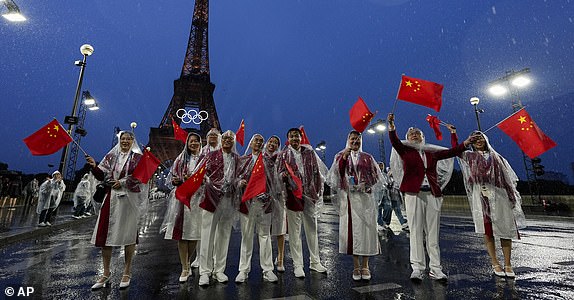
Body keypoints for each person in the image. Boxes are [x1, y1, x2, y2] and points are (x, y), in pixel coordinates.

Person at [388, 113, 474, 282]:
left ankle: (436, 269)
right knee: (415, 232)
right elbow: (394, 141)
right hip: (414, 194)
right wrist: (391, 125)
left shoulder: (431, 153)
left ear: (422, 137)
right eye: (411, 134)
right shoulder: (405, 151)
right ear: (408, 138)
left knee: (432, 234)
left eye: (417, 133)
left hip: (432, 194)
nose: (414, 135)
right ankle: (418, 268)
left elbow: (452, 152)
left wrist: (457, 136)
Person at [451, 129, 525, 278]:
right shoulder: (470, 156)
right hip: (482, 195)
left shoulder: (497, 157)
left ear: (486, 140)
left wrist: (511, 196)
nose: (479, 141)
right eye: (475, 139)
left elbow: (507, 179)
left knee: (505, 229)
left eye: (481, 138)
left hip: (499, 194)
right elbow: (456, 151)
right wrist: (454, 134)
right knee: (488, 230)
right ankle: (495, 262)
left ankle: (508, 264)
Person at [86, 131, 149, 290]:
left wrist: (122, 182)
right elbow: (102, 175)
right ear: (119, 140)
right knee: (106, 235)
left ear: (133, 141)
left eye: (128, 139)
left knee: (128, 236)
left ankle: (127, 271)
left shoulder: (138, 158)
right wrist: (94, 166)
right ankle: (106, 272)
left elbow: (141, 178)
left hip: (128, 199)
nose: (125, 141)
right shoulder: (111, 157)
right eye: (123, 138)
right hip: (112, 198)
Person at [327, 130, 383, 281]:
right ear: (348, 140)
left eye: (358, 140)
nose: (355, 142)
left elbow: (376, 177)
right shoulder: (340, 156)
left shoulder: (368, 157)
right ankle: (356, 266)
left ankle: (366, 266)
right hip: (349, 198)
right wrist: (345, 156)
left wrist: (366, 185)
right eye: (352, 139)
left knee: (367, 231)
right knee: (353, 232)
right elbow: (336, 175)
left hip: (365, 198)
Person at [276, 128, 328, 278]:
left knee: (312, 229)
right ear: (288, 139)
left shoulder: (309, 153)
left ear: (301, 138)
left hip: (310, 195)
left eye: (297, 136)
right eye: (292, 136)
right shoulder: (283, 155)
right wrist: (283, 176)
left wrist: (317, 191)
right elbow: (278, 175)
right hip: (293, 196)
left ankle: (315, 261)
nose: (295, 139)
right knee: (294, 232)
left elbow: (317, 173)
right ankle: (297, 265)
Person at [198, 130, 241, 286]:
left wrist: (238, 183)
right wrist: (207, 180)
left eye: (231, 138)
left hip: (228, 200)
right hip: (211, 198)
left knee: (224, 234)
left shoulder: (237, 159)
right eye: (225, 138)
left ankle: (219, 270)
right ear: (221, 140)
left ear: (234, 141)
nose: (228, 140)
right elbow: (201, 173)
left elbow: (239, 177)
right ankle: (205, 271)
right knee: (207, 234)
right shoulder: (210, 155)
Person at [235, 134, 279, 283]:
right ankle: (243, 270)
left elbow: (274, 183)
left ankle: (268, 269)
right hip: (247, 203)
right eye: (256, 140)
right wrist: (239, 182)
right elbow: (236, 178)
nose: (259, 142)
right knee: (246, 236)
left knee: (265, 236)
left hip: (264, 203)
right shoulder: (243, 160)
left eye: (261, 140)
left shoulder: (269, 161)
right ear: (251, 142)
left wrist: (269, 196)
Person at [161, 132, 204, 283]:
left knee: (194, 234)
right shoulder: (180, 159)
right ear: (187, 143)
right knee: (181, 234)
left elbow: (208, 178)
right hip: (182, 198)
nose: (193, 143)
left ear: (200, 143)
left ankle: (188, 261)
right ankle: (185, 267)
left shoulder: (204, 159)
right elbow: (172, 178)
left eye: (196, 141)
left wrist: (196, 180)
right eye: (191, 141)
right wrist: (177, 180)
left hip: (197, 199)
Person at [264, 135, 287, 273]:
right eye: (270, 141)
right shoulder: (260, 158)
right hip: (264, 197)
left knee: (280, 229)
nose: (272, 143)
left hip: (278, 197)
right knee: (265, 230)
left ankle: (280, 258)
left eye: (275, 142)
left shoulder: (281, 159)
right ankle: (266, 259)